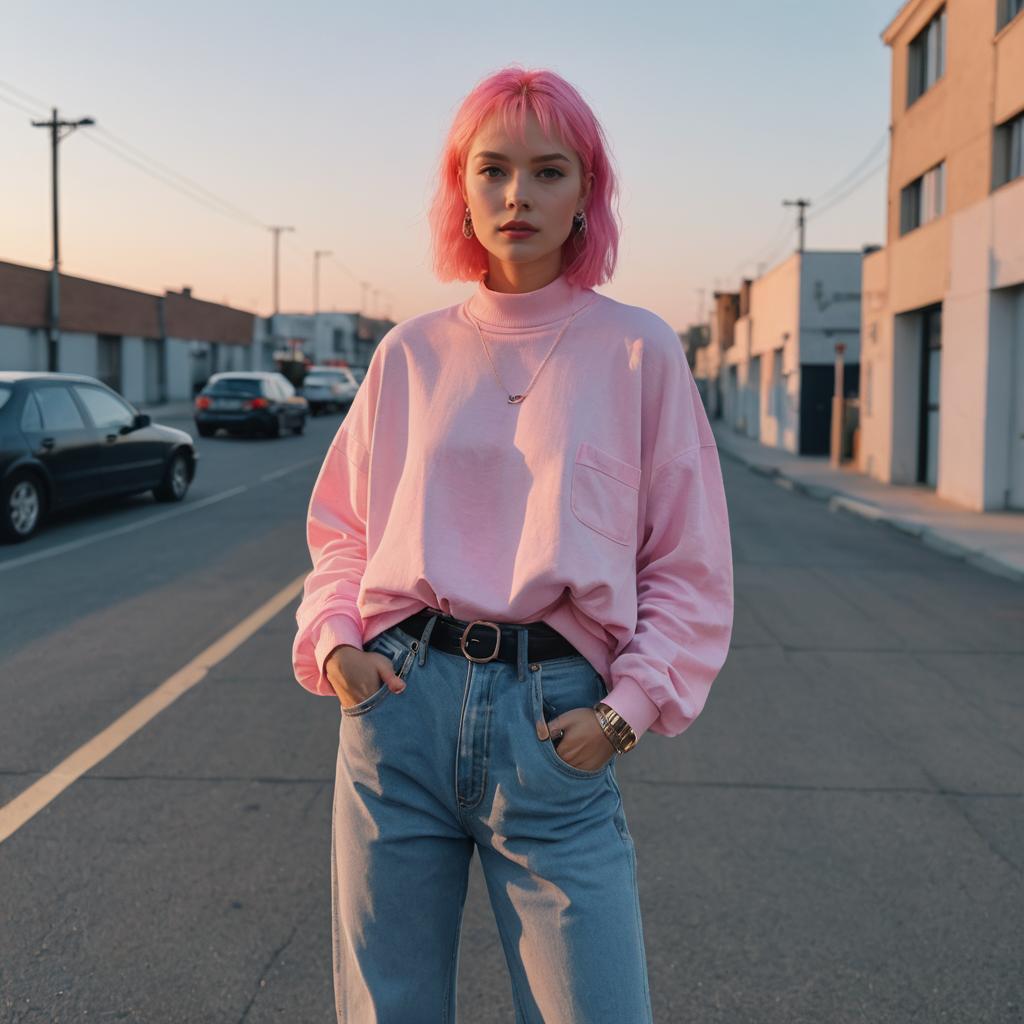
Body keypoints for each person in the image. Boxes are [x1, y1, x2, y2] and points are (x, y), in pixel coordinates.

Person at [292, 64, 734, 1024]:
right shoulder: (408, 353)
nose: (517, 196)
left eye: (548, 171)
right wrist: (337, 645)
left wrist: (628, 709)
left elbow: (688, 566)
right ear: (461, 187)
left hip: (556, 720)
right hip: (398, 705)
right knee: (387, 1009)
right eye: (491, 170)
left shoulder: (636, 350)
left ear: (588, 192)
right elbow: (344, 531)